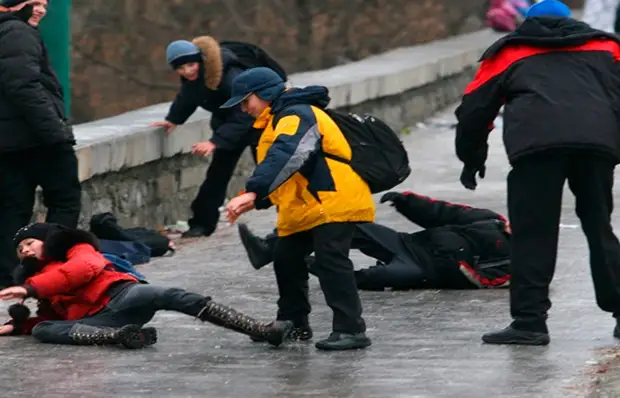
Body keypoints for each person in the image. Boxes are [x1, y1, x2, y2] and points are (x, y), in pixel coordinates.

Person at [454, 0, 620, 346]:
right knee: (599, 225)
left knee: (533, 233)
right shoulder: (608, 47)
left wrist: (471, 157)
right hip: (596, 146)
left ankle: (530, 323)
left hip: (537, 148)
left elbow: (474, 108)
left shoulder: (508, 52)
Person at [223, 67, 376, 351]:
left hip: (332, 198)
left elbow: (289, 154)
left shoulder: (297, 114)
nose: (244, 109)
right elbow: (287, 170)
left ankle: (351, 329)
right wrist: (258, 198)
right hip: (306, 206)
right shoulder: (276, 118)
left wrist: (254, 192)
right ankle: (293, 324)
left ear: (265, 94)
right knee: (286, 257)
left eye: (247, 101)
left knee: (332, 261)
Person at [0, 223, 293, 348]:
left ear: (46, 240)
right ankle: (122, 337)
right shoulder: (38, 283)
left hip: (123, 295)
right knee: (43, 330)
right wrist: (18, 325)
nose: (25, 250)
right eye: (20, 249)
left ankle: (259, 329)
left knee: (169, 294)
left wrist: (31, 289)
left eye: (29, 243)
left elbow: (80, 271)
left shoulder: (75, 249)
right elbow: (56, 319)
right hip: (98, 321)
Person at [238, 191, 511, 291]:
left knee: (374, 277)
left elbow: (484, 280)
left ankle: (327, 270)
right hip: (409, 244)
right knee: (345, 226)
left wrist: (458, 268)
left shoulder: (518, 258)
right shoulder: (490, 220)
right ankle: (269, 248)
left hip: (426, 271)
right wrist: (408, 202)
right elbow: (445, 212)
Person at [151, 37, 283, 239]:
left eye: (190, 65)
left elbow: (244, 114)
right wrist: (173, 120)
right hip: (230, 127)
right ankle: (202, 224)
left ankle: (288, 222)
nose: (187, 71)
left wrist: (215, 142)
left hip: (259, 124)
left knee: (272, 176)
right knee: (216, 177)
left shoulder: (229, 76)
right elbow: (187, 98)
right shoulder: (194, 79)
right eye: (180, 68)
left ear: (200, 61)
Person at [0, 0, 81, 288]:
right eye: (34, 3)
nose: (42, 10)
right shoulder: (17, 33)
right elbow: (24, 87)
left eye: (44, 3)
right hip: (37, 139)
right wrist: (56, 132)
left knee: (13, 209)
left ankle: (11, 276)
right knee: (65, 200)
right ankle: (55, 268)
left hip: (10, 143)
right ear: (11, 5)